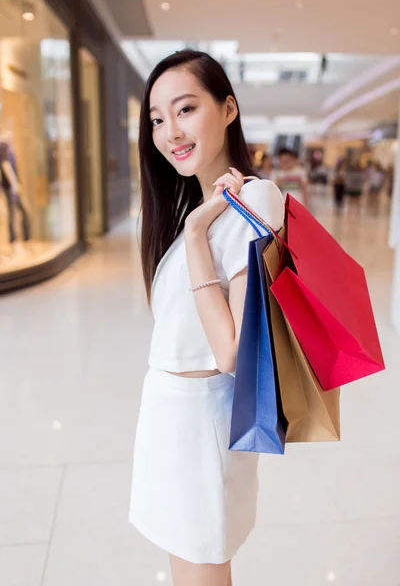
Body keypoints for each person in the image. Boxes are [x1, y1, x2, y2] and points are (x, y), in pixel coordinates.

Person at [129, 49, 284, 586]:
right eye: (156, 118)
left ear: (228, 109)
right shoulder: (197, 207)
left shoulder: (254, 198)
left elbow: (234, 353)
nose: (170, 130)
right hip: (169, 418)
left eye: (186, 108)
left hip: (203, 429)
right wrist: (193, 224)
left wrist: (197, 235)